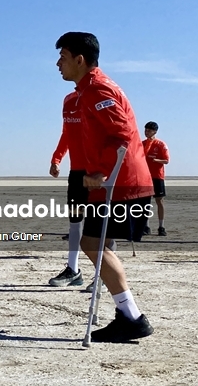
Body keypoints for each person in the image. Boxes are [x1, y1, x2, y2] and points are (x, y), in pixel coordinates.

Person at [56, 31, 154, 342]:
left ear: (80, 60)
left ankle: (132, 316)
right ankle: (128, 314)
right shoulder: (86, 91)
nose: (58, 63)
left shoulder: (98, 89)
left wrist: (98, 171)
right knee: (98, 243)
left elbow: (122, 132)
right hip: (113, 181)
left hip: (120, 183)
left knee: (92, 243)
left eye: (64, 57)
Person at [47, 88, 88, 288]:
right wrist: (56, 158)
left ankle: (104, 275)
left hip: (97, 172)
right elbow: (67, 133)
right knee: (75, 221)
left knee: (101, 224)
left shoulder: (100, 95)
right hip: (77, 171)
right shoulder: (69, 100)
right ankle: (73, 270)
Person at [142, 122, 170, 236]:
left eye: (149, 130)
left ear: (154, 131)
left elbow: (166, 160)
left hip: (157, 176)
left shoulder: (160, 144)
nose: (146, 132)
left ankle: (161, 226)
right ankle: (146, 226)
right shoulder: (141, 144)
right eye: (145, 130)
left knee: (159, 201)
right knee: (145, 202)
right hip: (145, 177)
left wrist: (155, 160)